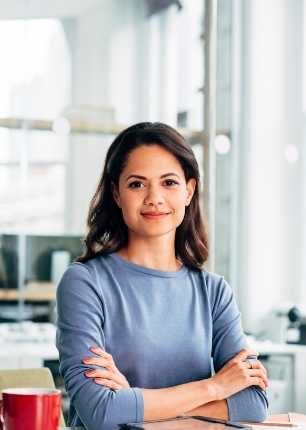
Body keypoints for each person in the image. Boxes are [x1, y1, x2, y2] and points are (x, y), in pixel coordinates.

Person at [56, 122, 268, 430]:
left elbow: (253, 404)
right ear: (116, 194)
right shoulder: (84, 283)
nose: (154, 198)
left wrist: (132, 401)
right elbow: (100, 412)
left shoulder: (214, 291)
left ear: (188, 190)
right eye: (137, 184)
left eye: (169, 182)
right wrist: (214, 388)